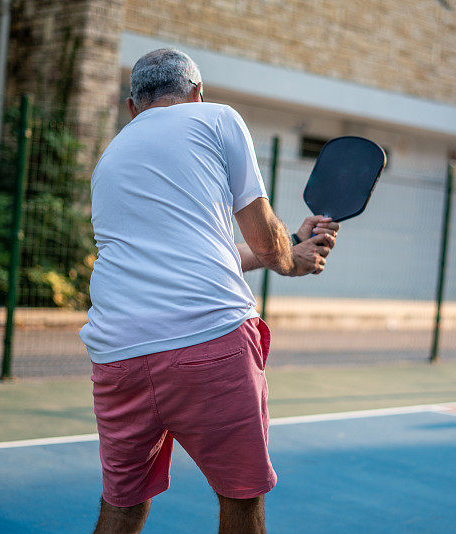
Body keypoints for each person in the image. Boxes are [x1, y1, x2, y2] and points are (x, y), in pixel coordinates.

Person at [79, 48, 340, 534]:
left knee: (123, 504)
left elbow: (196, 251)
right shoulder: (217, 118)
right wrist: (292, 260)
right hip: (208, 343)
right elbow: (265, 239)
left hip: (118, 356)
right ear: (197, 94)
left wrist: (295, 246)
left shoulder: (108, 161)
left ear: (132, 107)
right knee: (241, 500)